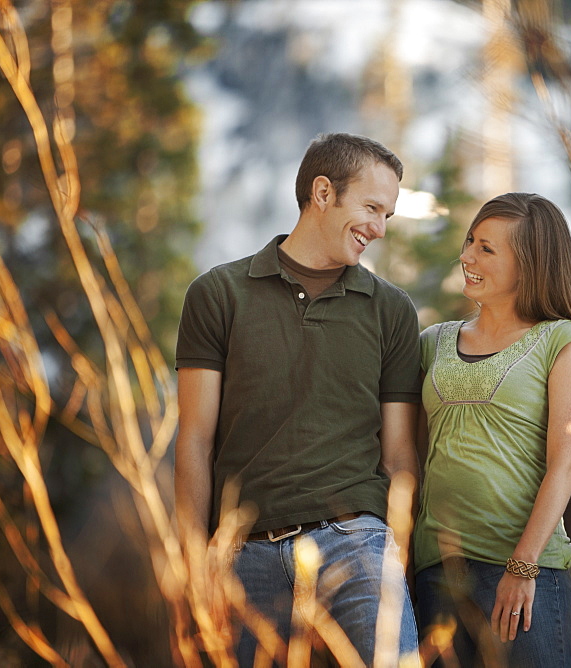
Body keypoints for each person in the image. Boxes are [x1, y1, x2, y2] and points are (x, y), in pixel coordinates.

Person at [174, 133, 421, 665]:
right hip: (243, 553)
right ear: (323, 192)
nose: (378, 229)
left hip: (356, 545)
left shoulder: (391, 311)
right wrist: (195, 562)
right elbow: (194, 439)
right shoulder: (218, 294)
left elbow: (399, 456)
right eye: (372, 208)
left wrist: (400, 563)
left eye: (388, 216)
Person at [413, 192, 571, 667]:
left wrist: (522, 566)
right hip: (437, 573)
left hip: (524, 575)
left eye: (487, 249)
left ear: (530, 264)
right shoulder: (431, 343)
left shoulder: (563, 341)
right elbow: (411, 455)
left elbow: (566, 462)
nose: (467, 256)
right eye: (470, 241)